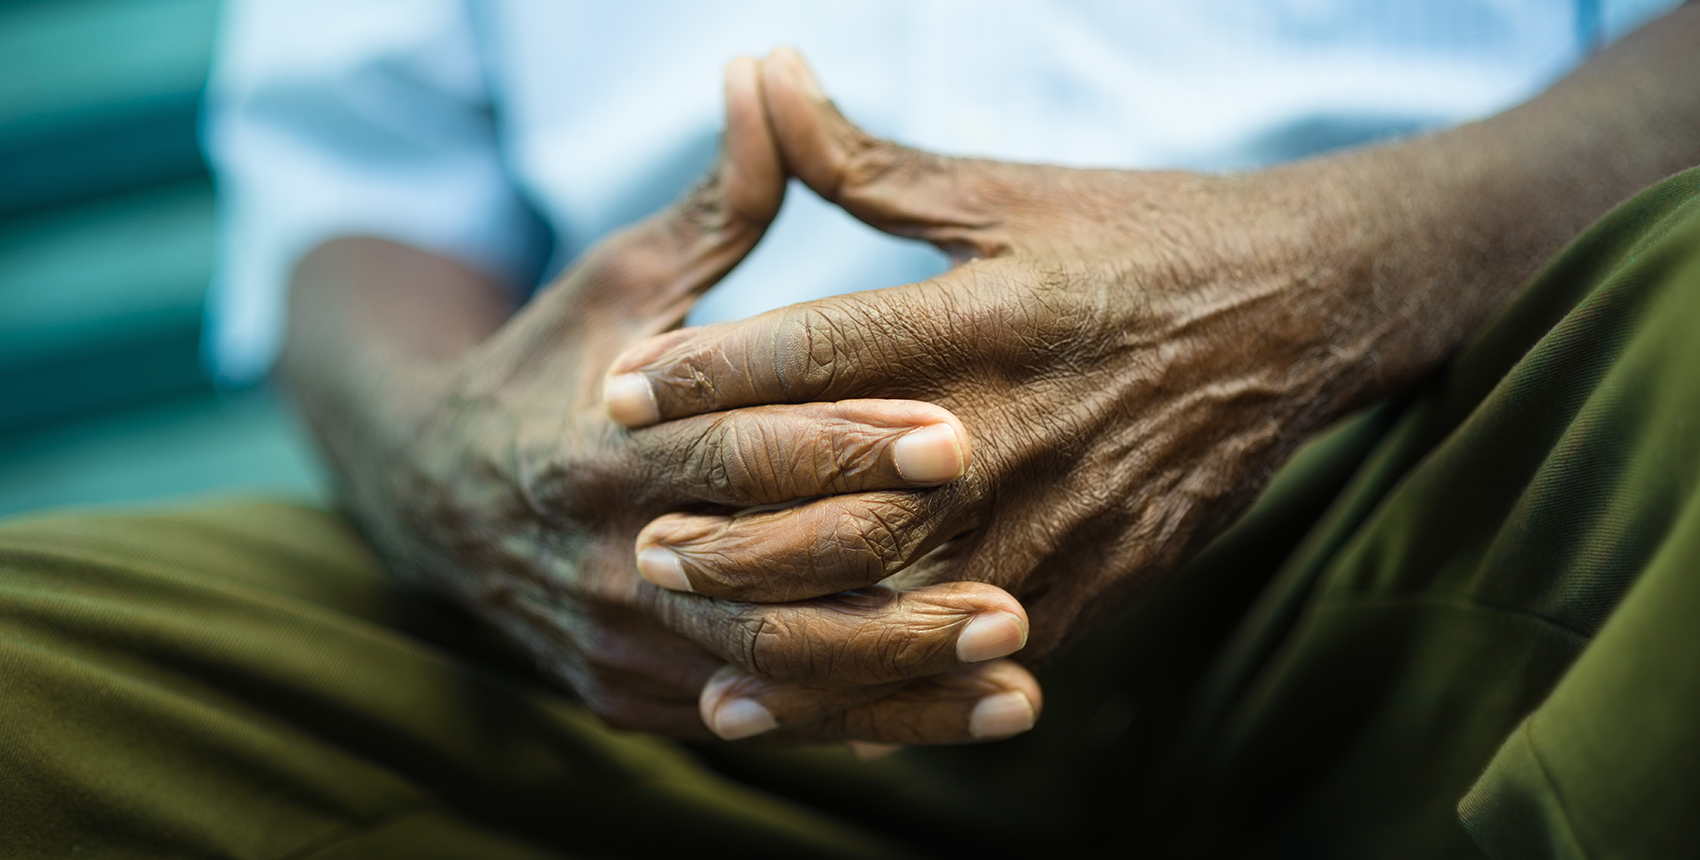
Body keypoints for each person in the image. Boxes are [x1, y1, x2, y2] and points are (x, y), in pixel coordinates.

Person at [2, 2, 1698, 857]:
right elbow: (357, 203)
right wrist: (457, 465)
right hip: (648, 626)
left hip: (1424, 473)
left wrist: (1335, 284)